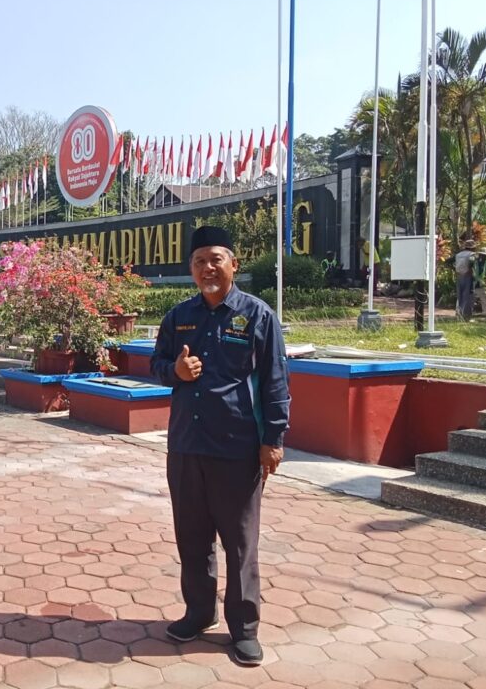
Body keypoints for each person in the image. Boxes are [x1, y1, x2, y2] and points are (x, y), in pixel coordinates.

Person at [151, 225, 290, 667]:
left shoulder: (258, 316)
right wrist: (175, 371)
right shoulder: (179, 316)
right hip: (186, 446)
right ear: (191, 269)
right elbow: (156, 364)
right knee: (192, 538)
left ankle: (244, 629)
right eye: (199, 262)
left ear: (233, 264)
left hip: (237, 447)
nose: (207, 268)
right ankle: (199, 613)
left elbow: (275, 382)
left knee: (240, 544)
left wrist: (273, 440)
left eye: (216, 259)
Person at [454, 239, 477, 320]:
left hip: (459, 276)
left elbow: (449, 261)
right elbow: (472, 262)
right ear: (472, 247)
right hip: (468, 276)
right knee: (468, 296)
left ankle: (459, 314)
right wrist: (471, 270)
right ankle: (466, 316)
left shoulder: (458, 255)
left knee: (460, 295)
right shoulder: (472, 254)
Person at [473, 247, 486, 314]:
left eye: (485, 255)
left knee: (484, 299)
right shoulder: (473, 261)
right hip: (471, 283)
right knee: (469, 299)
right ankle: (465, 312)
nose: (483, 256)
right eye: (482, 255)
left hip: (480, 284)